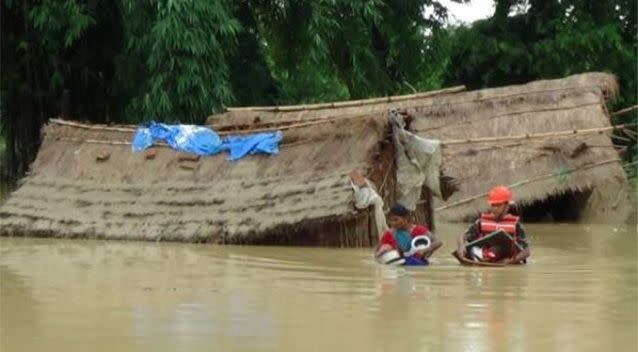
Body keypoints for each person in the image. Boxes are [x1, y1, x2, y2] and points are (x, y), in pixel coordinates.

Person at [456, 186, 530, 264]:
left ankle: (487, 256)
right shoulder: (481, 222)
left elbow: (526, 252)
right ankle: (483, 255)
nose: (494, 208)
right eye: (493, 205)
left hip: (505, 261)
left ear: (507, 206)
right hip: (484, 256)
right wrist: (461, 247)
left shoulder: (516, 225)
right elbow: (462, 237)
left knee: (501, 247)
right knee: (475, 249)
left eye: (498, 205)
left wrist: (509, 262)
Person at [375, 203, 443, 265]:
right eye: (391, 220)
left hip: (417, 263)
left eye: (396, 220)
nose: (393, 223)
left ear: (406, 218)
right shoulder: (389, 234)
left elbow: (438, 242)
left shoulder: (418, 230)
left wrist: (424, 250)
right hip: (397, 264)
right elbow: (377, 251)